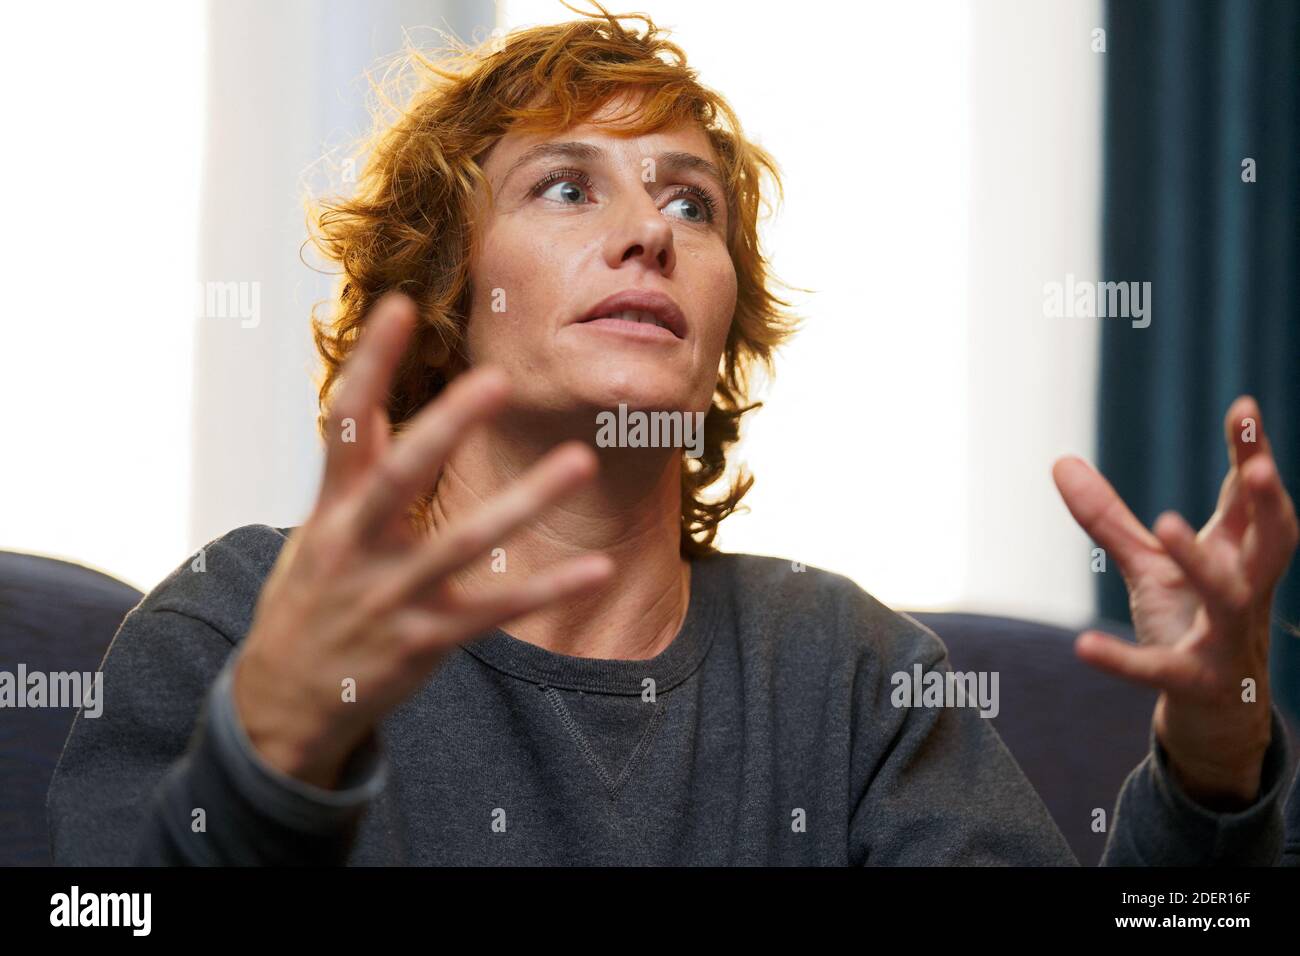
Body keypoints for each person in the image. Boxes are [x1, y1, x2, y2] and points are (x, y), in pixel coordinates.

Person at [47, 7, 1298, 866]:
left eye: (687, 201)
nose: (647, 230)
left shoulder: (851, 673)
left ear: (720, 332)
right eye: (568, 184)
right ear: (439, 298)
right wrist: (262, 766)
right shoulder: (238, 618)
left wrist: (1215, 771)